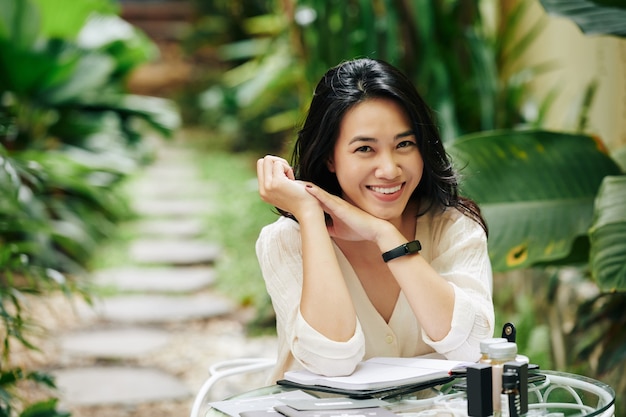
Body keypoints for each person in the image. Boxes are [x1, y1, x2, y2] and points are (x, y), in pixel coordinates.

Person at [255, 58, 494, 383]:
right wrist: (310, 216)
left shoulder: (452, 227)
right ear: (330, 157)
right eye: (365, 148)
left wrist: (386, 236)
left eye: (404, 144)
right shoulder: (286, 240)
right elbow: (331, 360)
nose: (390, 169)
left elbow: (474, 348)